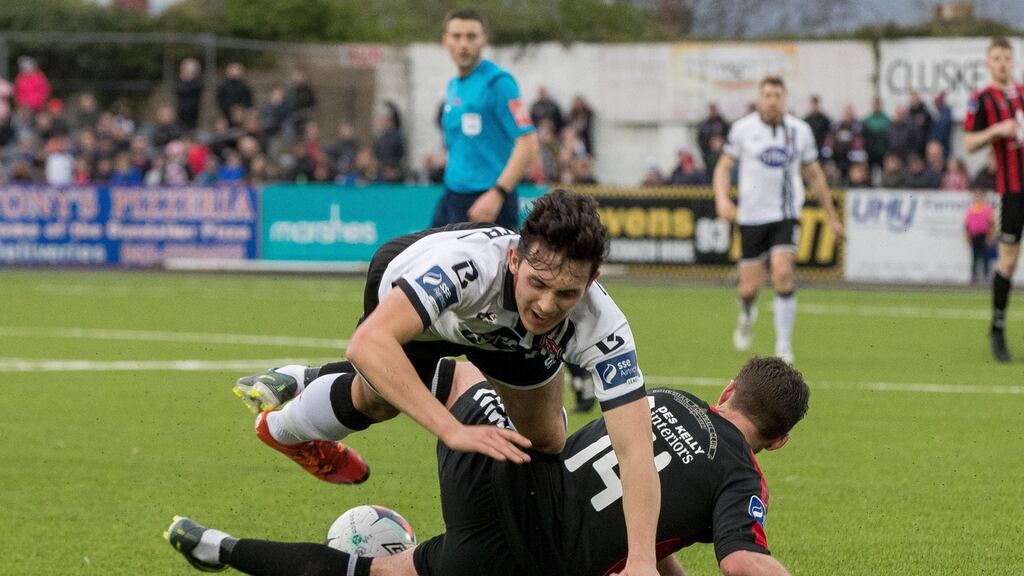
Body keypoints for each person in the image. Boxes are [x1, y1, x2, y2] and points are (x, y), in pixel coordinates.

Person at [232, 188, 662, 574]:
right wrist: (449, 427)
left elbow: (635, 446)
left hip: (506, 337)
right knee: (377, 401)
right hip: (423, 305)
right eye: (538, 283)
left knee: (545, 440)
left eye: (567, 293)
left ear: (592, 281)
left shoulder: (603, 324)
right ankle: (287, 427)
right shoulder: (468, 267)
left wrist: (642, 560)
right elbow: (367, 343)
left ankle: (303, 382)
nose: (548, 304)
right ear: (515, 259)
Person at [168, 356, 808, 576]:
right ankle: (219, 548)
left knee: (452, 370)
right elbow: (741, 559)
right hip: (535, 562)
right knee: (384, 571)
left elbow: (649, 496)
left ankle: (308, 386)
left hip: (505, 477)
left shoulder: (668, 398)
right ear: (775, 443)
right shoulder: (743, 477)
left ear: (727, 390)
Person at [713, 77, 843, 364]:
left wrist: (832, 217)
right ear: (760, 98)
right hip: (751, 217)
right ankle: (747, 313)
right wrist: (722, 199)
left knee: (783, 274)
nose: (772, 100)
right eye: (767, 94)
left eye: (777, 95)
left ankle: (783, 344)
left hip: (786, 214)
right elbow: (723, 167)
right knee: (749, 289)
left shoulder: (800, 131)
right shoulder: (742, 129)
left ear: (785, 99)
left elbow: (815, 176)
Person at [432, 9, 540, 231]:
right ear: (445, 40)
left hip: (487, 202)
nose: (464, 44)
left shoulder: (498, 83)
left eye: (471, 36)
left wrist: (498, 193)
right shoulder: (453, 86)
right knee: (421, 259)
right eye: (457, 36)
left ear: (484, 40)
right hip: (453, 195)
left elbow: (528, 143)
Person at [964, 37, 1024, 363]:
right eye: (996, 58)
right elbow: (970, 142)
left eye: (1006, 57)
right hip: (1012, 190)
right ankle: (997, 328)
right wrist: (997, 130)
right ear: (989, 63)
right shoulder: (982, 99)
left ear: (1013, 61)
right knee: (1009, 261)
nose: (1002, 63)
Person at [966, 189, 996, 285]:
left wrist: (991, 236)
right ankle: (974, 275)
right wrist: (967, 236)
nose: (978, 198)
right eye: (976, 196)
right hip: (974, 236)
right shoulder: (970, 210)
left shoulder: (987, 209)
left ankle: (986, 275)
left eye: (980, 196)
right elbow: (966, 225)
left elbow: (992, 224)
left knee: (985, 256)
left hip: (984, 235)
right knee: (974, 256)